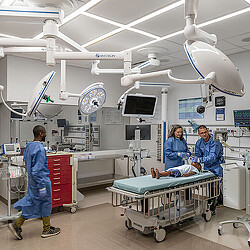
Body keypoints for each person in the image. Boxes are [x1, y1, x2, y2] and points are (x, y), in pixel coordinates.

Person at [8, 125, 60, 240]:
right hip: (40, 182)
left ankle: (17, 225)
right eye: (45, 132)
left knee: (32, 203)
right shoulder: (40, 149)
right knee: (46, 203)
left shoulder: (29, 146)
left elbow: (28, 165)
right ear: (41, 134)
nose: (46, 134)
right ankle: (46, 230)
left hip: (32, 181)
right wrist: (42, 187)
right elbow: (38, 169)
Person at [191, 125, 225, 213]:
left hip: (216, 167)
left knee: (214, 187)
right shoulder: (199, 143)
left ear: (208, 131)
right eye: (201, 133)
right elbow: (198, 154)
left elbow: (213, 157)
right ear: (198, 134)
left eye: (205, 132)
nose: (204, 134)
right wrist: (196, 161)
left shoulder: (215, 142)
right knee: (210, 186)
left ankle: (212, 208)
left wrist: (199, 159)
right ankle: (218, 201)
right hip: (206, 167)